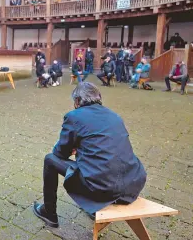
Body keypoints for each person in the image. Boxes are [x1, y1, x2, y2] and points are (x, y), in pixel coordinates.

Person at [32, 82, 146, 227]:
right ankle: (94, 207)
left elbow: (60, 153)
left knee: (50, 160)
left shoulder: (74, 116)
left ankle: (49, 212)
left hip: (102, 188)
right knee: (102, 164)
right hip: (133, 185)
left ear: (77, 101)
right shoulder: (115, 116)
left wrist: (73, 147)